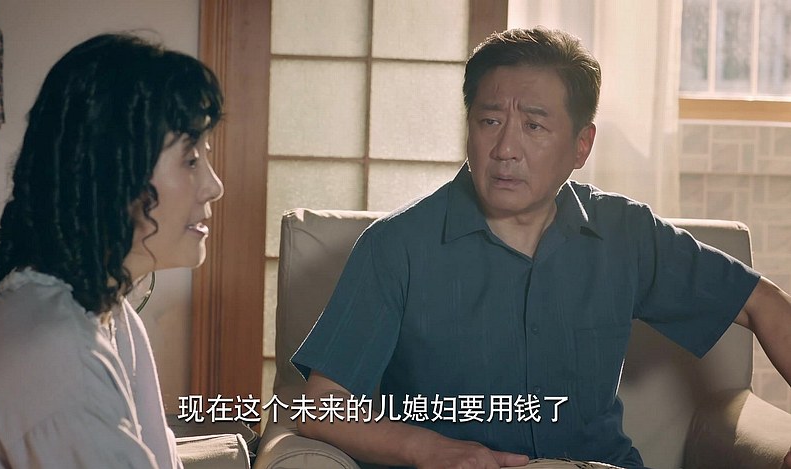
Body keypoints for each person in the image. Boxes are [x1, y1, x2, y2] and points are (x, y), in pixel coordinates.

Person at [291, 27, 791, 469]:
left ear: (581, 145)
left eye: (533, 126)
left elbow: (763, 303)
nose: (505, 149)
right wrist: (427, 448)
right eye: (489, 121)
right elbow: (319, 405)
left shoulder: (625, 234)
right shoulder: (395, 247)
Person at [0, 33, 224, 468]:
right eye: (191, 160)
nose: (214, 186)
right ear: (112, 171)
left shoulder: (111, 316)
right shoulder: (54, 354)